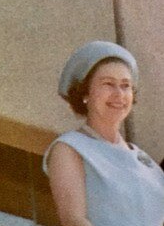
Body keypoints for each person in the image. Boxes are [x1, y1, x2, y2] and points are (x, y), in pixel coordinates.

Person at [43, 41, 164, 226]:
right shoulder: (70, 148)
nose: (119, 94)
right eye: (108, 84)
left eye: (125, 85)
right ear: (85, 93)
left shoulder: (146, 164)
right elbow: (74, 220)